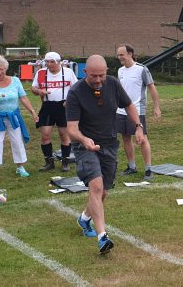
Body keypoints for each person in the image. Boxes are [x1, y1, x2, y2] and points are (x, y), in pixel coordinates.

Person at [66, 55, 143, 254]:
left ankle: (84, 219)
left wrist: (138, 126)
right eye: (94, 76)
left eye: (102, 75)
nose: (98, 80)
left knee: (103, 192)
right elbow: (71, 129)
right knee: (96, 186)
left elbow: (129, 105)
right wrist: (84, 140)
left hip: (109, 144)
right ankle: (102, 237)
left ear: (107, 72)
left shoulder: (113, 84)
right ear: (85, 73)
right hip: (85, 146)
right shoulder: (75, 92)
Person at [0, 55, 38, 183]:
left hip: (14, 116)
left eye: (1, 69)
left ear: (5, 68)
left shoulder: (15, 81)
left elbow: (23, 98)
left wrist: (33, 112)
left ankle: (20, 167)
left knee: (17, 141)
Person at [116, 44, 161, 181]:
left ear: (130, 54)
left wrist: (156, 107)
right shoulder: (120, 71)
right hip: (120, 111)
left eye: (121, 54)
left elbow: (152, 88)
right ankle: (132, 166)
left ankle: (148, 169)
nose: (119, 57)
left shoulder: (142, 69)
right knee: (125, 138)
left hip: (137, 110)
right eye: (118, 55)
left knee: (142, 139)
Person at [31, 51, 78, 172]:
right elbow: (33, 88)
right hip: (47, 106)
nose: (49, 64)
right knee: (45, 134)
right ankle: (49, 162)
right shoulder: (41, 73)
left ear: (58, 62)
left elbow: (77, 89)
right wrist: (39, 92)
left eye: (52, 62)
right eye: (47, 62)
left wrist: (70, 100)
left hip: (63, 106)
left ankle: (65, 161)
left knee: (64, 134)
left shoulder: (68, 72)